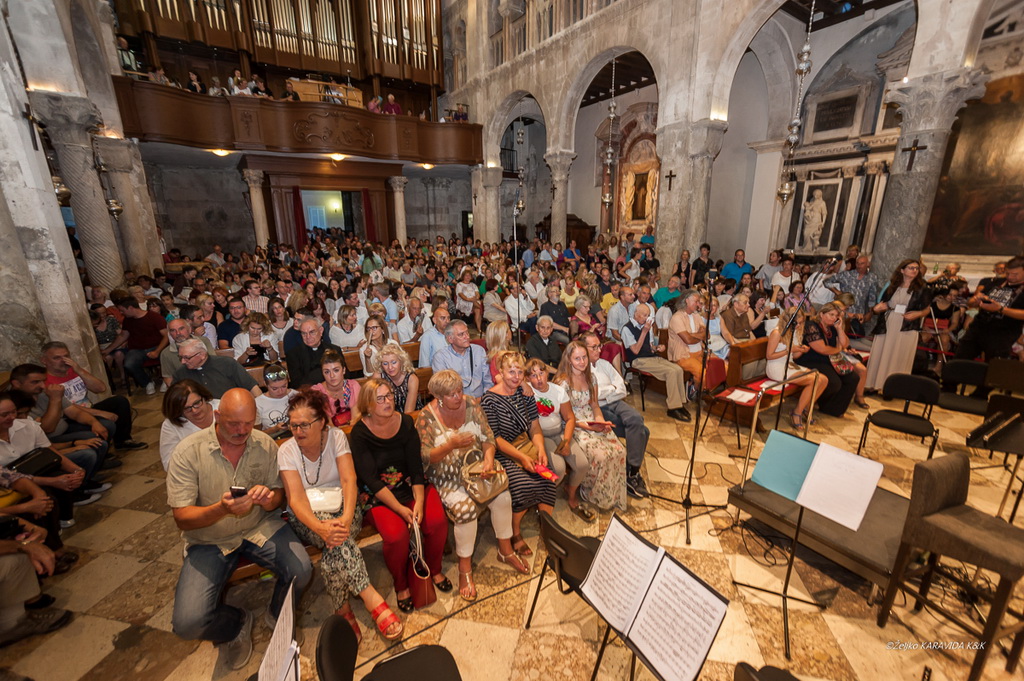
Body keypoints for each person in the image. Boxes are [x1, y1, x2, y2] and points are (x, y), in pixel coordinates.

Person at [167, 390, 312, 669]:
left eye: (248, 423)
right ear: (217, 416)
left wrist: (270, 499)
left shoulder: (264, 444)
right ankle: (236, 624)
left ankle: (278, 614)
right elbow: (182, 518)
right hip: (210, 539)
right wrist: (221, 509)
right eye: (233, 423)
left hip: (259, 525)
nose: (242, 431)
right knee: (188, 624)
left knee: (301, 569)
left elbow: (278, 495)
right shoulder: (188, 452)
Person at [277, 390, 403, 642]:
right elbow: (296, 500)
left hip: (344, 505)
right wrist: (320, 528)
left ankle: (342, 608)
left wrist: (345, 518)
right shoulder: (287, 451)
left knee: (335, 542)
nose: (298, 431)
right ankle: (370, 597)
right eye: (293, 425)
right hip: (307, 516)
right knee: (336, 540)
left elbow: (348, 480)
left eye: (305, 425)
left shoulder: (336, 438)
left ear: (321, 422)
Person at [415, 370, 527, 601]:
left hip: (476, 469)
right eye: (452, 394)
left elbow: (487, 436)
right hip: (448, 477)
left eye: (460, 391)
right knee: (465, 511)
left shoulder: (472, 405)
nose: (458, 397)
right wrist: (450, 445)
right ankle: (464, 568)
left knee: (503, 497)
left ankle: (505, 550)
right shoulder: (426, 417)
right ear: (439, 397)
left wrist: (488, 460)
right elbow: (425, 457)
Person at [350, 379, 450, 613]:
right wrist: (400, 509)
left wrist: (420, 503)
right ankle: (401, 584)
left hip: (410, 484)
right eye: (380, 399)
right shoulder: (360, 433)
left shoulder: (405, 422)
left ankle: (434, 569)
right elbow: (370, 479)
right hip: (379, 495)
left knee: (436, 521)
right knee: (396, 537)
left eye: (390, 396)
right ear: (368, 405)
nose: (388, 402)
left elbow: (416, 467)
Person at [481, 352, 556, 557]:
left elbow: (534, 427)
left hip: (526, 444)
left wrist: (540, 449)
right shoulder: (489, 399)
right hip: (503, 451)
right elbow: (496, 438)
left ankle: (547, 527)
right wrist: (522, 458)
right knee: (523, 486)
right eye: (511, 372)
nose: (516, 377)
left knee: (547, 479)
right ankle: (515, 533)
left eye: (520, 372)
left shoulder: (525, 394)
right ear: (501, 372)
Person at [555, 342, 628, 511]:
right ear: (569, 360)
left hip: (591, 420)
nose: (582, 362)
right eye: (577, 358)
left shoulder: (591, 377)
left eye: (584, 357)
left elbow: (595, 405)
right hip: (574, 424)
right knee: (600, 455)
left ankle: (611, 494)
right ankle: (591, 491)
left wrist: (600, 422)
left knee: (619, 451)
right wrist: (590, 428)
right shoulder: (563, 383)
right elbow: (565, 417)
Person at [40, 341, 146, 450]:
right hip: (70, 416)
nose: (63, 361)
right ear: (44, 361)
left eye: (66, 356)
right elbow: (68, 408)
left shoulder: (73, 370)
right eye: (56, 358)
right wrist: (99, 413)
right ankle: (103, 452)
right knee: (106, 423)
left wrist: (79, 370)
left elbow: (100, 388)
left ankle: (123, 441)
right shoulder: (45, 382)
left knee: (120, 401)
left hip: (88, 407)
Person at [524, 358, 592, 521]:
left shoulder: (558, 391)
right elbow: (504, 377)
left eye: (541, 373)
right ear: (527, 378)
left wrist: (566, 441)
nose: (539, 379)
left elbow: (569, 418)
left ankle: (571, 492)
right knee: (559, 469)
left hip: (559, 432)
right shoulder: (527, 390)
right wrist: (523, 384)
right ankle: (543, 499)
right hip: (541, 435)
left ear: (547, 373)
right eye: (533, 375)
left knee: (582, 464)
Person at [866, 259, 932, 392]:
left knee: (900, 356)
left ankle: (894, 388)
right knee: (882, 354)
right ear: (902, 270)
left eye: (916, 268)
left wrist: (918, 314)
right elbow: (882, 303)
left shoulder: (923, 288)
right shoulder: (892, 285)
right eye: (911, 268)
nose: (914, 270)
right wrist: (877, 308)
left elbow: (927, 309)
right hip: (889, 322)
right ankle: (874, 384)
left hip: (907, 325)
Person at [621, 303, 692, 422]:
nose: (647, 318)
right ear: (636, 314)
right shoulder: (627, 329)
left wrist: (657, 348)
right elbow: (636, 351)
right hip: (639, 360)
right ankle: (673, 408)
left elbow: (649, 347)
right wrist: (644, 332)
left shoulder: (646, 327)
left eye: (648, 315)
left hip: (651, 357)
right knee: (670, 372)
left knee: (678, 369)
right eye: (644, 315)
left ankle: (680, 403)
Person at [954, 255, 1024, 370]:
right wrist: (976, 301)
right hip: (978, 327)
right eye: (1007, 273)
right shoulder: (996, 282)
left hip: (1003, 332)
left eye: (1015, 274)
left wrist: (1001, 309)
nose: (1010, 277)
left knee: (994, 367)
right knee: (960, 359)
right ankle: (951, 380)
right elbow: (971, 302)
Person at [794, 302, 860, 417]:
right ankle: (818, 404)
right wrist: (838, 349)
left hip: (828, 360)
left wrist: (839, 328)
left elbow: (845, 344)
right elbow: (822, 349)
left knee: (853, 377)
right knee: (834, 382)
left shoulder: (832, 327)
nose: (834, 318)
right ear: (821, 314)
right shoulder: (811, 326)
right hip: (811, 360)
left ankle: (834, 409)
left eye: (836, 315)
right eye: (831, 314)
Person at [765, 308, 825, 429]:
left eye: (800, 323)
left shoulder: (794, 332)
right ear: (788, 320)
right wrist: (789, 350)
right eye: (796, 323)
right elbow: (769, 356)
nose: (798, 326)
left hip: (789, 364)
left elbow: (795, 356)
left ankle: (807, 408)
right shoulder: (777, 333)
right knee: (813, 380)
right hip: (776, 367)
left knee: (823, 379)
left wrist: (801, 350)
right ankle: (797, 412)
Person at [159, 381, 218, 471]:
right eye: (187, 408)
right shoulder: (170, 425)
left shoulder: (223, 407)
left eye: (197, 403)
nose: (194, 410)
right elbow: (169, 464)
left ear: (204, 397)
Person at [173, 338, 261, 398]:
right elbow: (173, 401)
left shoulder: (227, 363)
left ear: (202, 355)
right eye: (181, 357)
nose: (182, 362)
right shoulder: (180, 373)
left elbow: (253, 388)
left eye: (187, 357)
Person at [116, 298, 169, 395]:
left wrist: (157, 351)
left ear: (130, 308)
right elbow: (123, 336)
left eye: (122, 310)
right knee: (129, 364)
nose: (121, 313)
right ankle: (147, 382)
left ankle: (166, 379)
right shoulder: (127, 320)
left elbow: (166, 336)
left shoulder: (154, 317)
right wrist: (107, 350)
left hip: (157, 346)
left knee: (167, 355)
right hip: (137, 350)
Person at [431, 321, 493, 398]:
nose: (467, 337)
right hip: (456, 401)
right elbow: (442, 388)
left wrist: (484, 398)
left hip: (481, 399)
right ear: (450, 339)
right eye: (461, 334)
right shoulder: (440, 357)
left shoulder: (478, 351)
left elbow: (488, 380)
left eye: (467, 333)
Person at [312, 350, 361, 427]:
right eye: (327, 372)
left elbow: (355, 418)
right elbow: (327, 424)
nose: (332, 376)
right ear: (322, 373)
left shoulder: (353, 386)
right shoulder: (317, 392)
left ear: (344, 370)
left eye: (336, 370)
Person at [288, 318, 342, 388]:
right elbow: (296, 384)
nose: (308, 337)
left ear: (321, 331)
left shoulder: (335, 350)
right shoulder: (293, 354)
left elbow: (345, 375)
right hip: (309, 392)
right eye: (304, 333)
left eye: (312, 332)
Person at [374, 343, 422, 414]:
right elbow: (376, 406)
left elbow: (409, 411)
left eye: (394, 362)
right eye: (385, 363)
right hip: (387, 416)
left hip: (411, 416)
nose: (390, 367)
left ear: (401, 361)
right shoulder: (378, 377)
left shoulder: (411, 379)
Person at [255, 365, 296, 437]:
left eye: (284, 386)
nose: (280, 391)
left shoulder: (296, 396)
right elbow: (256, 434)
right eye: (274, 389)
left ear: (288, 381)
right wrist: (274, 429)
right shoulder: (258, 403)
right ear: (265, 384)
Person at [455, 268, 482, 334]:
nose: (468, 277)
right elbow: (461, 295)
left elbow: (477, 294)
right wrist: (469, 299)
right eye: (466, 275)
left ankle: (479, 329)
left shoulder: (473, 285)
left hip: (473, 301)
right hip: (463, 301)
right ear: (463, 276)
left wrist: (474, 299)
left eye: (469, 275)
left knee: (477, 310)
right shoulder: (459, 285)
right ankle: (479, 329)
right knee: (478, 307)